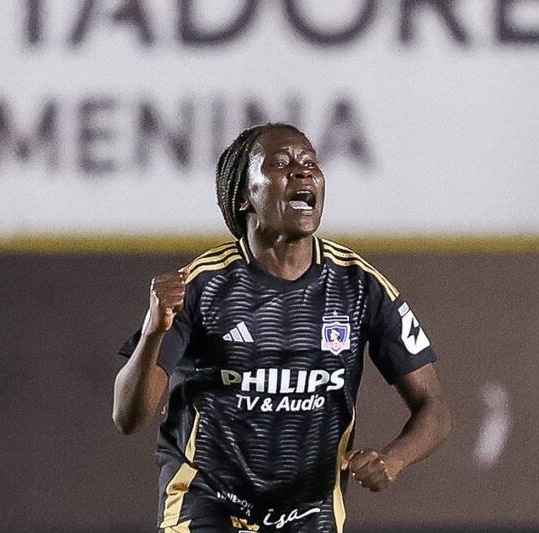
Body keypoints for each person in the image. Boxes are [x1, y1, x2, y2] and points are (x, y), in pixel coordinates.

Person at [113, 123, 451, 532]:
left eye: (310, 163)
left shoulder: (360, 286)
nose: (303, 172)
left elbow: (435, 410)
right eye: (280, 164)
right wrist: (152, 333)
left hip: (310, 516)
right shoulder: (201, 285)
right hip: (207, 506)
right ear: (244, 196)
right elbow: (128, 416)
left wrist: (394, 459)